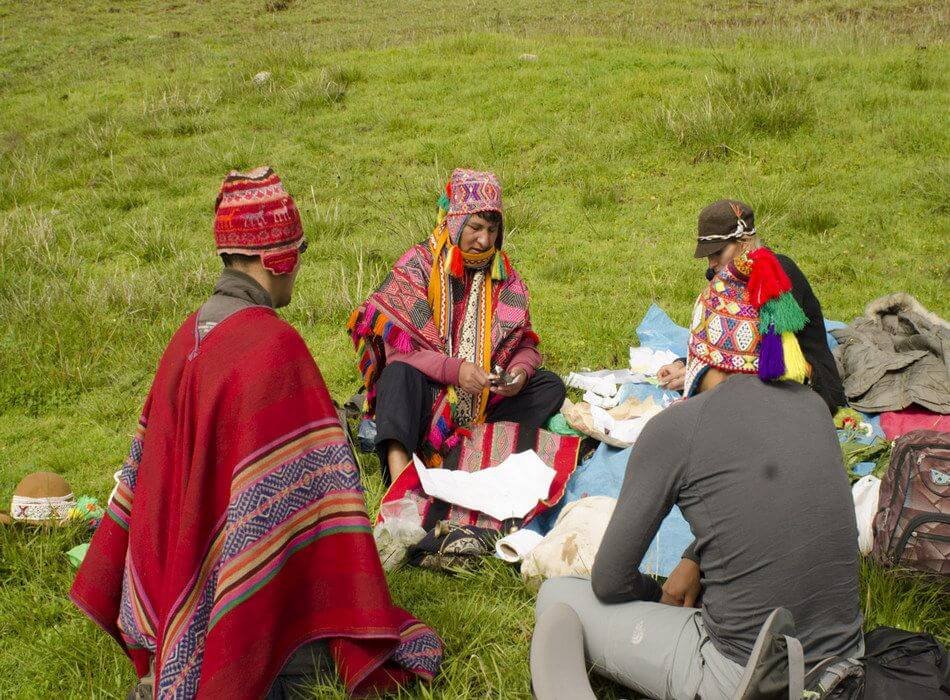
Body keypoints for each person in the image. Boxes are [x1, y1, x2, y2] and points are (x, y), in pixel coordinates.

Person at [70, 167, 442, 699]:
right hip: (241, 618)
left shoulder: (183, 340)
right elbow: (327, 494)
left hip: (171, 594)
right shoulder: (274, 349)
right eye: (300, 250)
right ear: (279, 259)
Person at [532, 247, 863, 699]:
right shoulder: (813, 408)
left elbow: (609, 582)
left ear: (700, 347)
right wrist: (694, 559)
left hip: (746, 677)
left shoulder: (677, 428)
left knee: (558, 597)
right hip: (844, 659)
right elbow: (768, 502)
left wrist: (656, 596)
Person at [348, 169, 565, 483]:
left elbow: (525, 344)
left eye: (492, 229)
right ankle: (402, 480)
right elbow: (401, 352)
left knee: (548, 386)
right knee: (397, 375)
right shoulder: (417, 265)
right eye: (475, 227)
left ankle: (464, 458)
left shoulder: (503, 275)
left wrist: (517, 374)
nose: (484, 240)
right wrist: (457, 371)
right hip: (425, 398)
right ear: (455, 222)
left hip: (481, 402)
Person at [657, 199, 846, 414]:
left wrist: (697, 374)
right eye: (709, 255)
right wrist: (685, 364)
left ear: (744, 242)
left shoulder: (778, 276)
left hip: (802, 383)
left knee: (712, 390)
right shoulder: (725, 278)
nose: (712, 262)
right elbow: (722, 338)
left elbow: (758, 351)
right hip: (752, 379)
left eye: (718, 253)